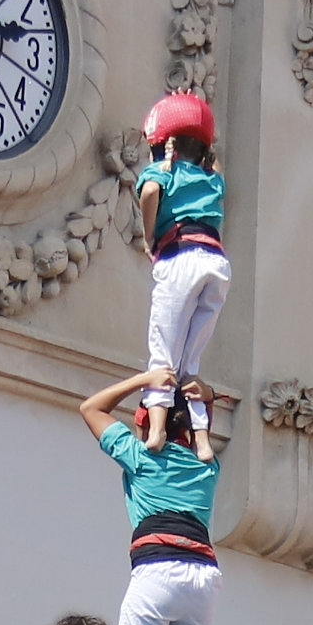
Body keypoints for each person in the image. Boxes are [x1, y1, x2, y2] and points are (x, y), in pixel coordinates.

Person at [82, 367, 220, 625]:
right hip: (204, 578)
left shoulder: (141, 457)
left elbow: (90, 408)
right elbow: (200, 425)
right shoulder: (207, 465)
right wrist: (206, 395)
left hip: (160, 568)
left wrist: (144, 380)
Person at [135, 92, 228, 438]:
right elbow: (215, 163)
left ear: (160, 143)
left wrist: (148, 237)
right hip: (216, 263)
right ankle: (202, 440)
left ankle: (157, 429)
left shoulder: (161, 172)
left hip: (180, 256)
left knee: (163, 351)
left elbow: (149, 194)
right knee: (190, 363)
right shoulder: (211, 178)